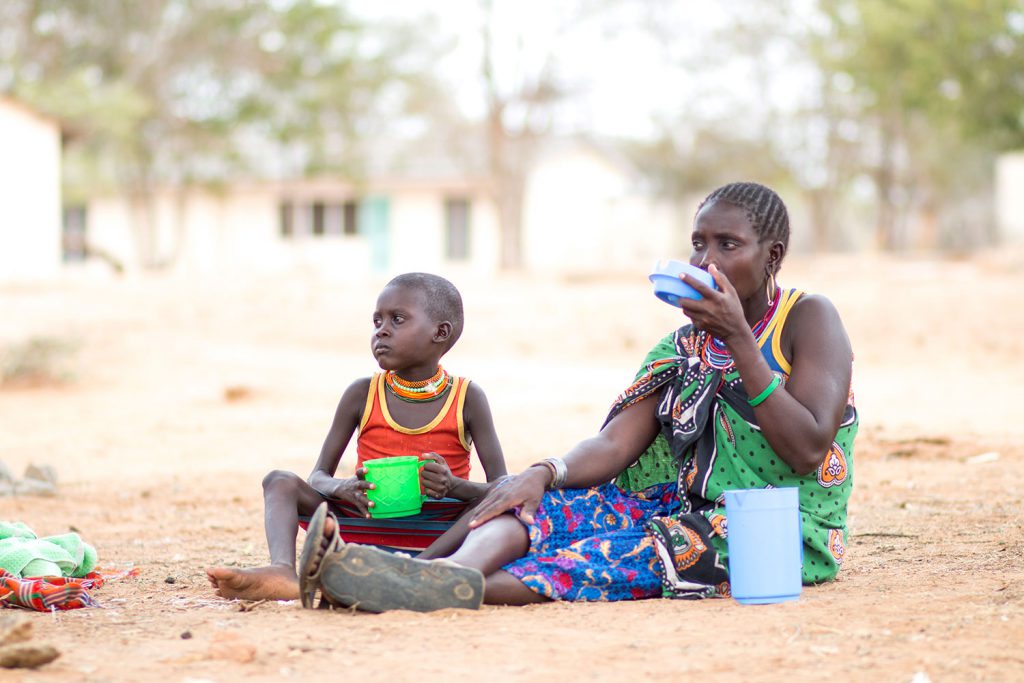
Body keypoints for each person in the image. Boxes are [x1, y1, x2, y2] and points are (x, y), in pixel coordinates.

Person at [298, 181, 858, 612]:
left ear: (773, 255)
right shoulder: (680, 344)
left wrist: (738, 337)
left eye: (727, 245)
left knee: (606, 554)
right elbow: (616, 444)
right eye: (697, 244)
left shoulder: (808, 319)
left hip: (779, 530)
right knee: (543, 508)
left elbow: (808, 448)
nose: (702, 262)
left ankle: (432, 586)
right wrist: (545, 471)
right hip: (688, 507)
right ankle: (428, 577)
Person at [206, 272, 507, 602]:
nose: (382, 330)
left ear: (440, 332)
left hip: (442, 532)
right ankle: (282, 570)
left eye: (397, 319)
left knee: (501, 504)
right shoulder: (362, 393)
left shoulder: (467, 397)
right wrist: (342, 488)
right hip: (364, 522)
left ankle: (423, 569)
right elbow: (317, 476)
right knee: (279, 481)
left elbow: (502, 488)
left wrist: (455, 487)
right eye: (377, 320)